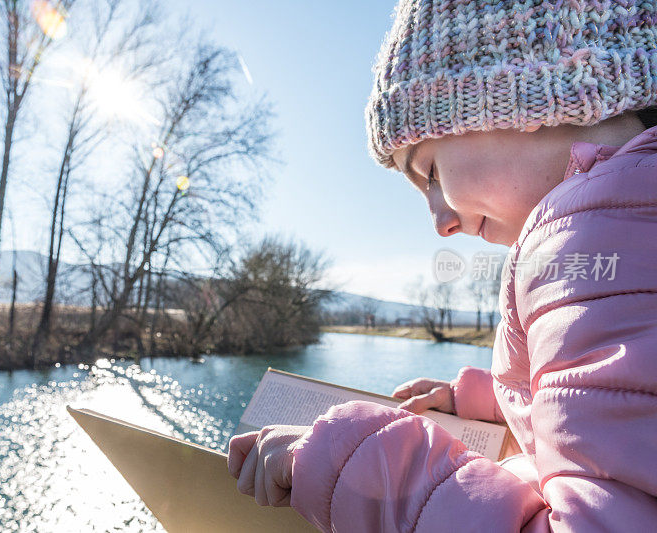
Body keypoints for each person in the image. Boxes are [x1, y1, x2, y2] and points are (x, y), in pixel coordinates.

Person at [227, 0, 657, 530]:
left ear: (520, 94)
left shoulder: (592, 235)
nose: (440, 222)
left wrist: (349, 462)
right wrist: (490, 401)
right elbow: (627, 413)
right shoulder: (633, 224)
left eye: (429, 172)